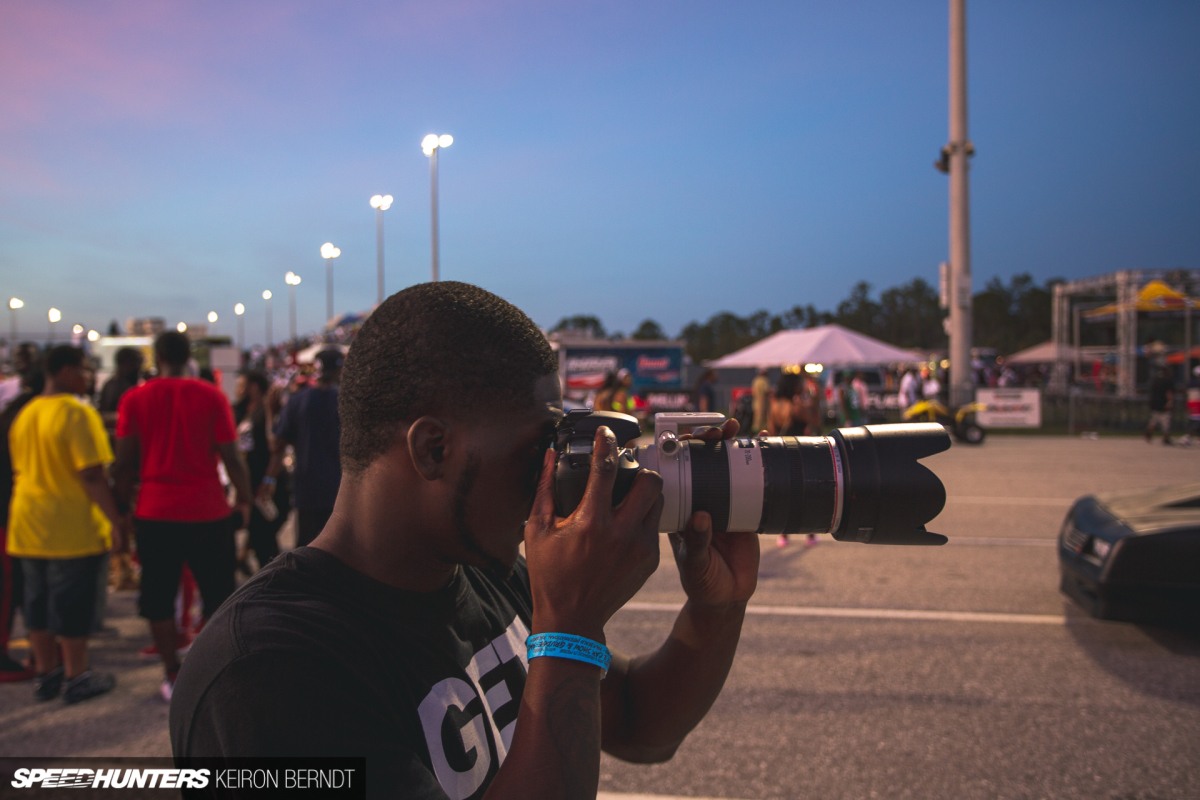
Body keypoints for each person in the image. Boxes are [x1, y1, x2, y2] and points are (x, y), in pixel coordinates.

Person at [171, 282, 760, 800]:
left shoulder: (483, 569)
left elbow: (638, 724)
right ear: (433, 449)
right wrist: (570, 626)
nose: (548, 477)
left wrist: (717, 605)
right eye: (536, 452)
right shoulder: (266, 672)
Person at [112, 331, 253, 702]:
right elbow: (232, 456)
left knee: (157, 595)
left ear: (157, 356)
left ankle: (171, 672)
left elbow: (124, 463)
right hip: (207, 511)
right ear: (188, 355)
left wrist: (122, 511)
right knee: (219, 596)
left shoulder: (135, 398)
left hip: (155, 510)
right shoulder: (211, 396)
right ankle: (216, 669)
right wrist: (245, 499)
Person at [7, 345, 127, 704]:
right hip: (68, 526)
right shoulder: (76, 413)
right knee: (72, 604)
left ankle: (46, 673)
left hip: (27, 521)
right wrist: (115, 521)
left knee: (36, 604)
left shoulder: (25, 413)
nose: (89, 377)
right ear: (64, 371)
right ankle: (77, 676)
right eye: (85, 369)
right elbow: (91, 474)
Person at [260, 348, 343, 548]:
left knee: (306, 551)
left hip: (307, 489)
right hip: (342, 490)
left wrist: (271, 413)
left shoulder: (298, 400)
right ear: (340, 370)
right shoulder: (347, 400)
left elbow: (276, 443)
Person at [0, 367, 45, 683]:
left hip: (15, 513)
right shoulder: (29, 416)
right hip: (13, 515)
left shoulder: (13, 416)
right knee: (10, 588)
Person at [233, 371, 289, 570]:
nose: (237, 389)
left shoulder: (266, 410)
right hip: (251, 482)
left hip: (266, 484)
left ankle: (274, 582)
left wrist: (269, 480)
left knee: (263, 536)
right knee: (258, 533)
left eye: (241, 384)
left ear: (254, 387)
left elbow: (277, 448)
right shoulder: (243, 411)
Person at [98, 347, 143, 436]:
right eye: (135, 364)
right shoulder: (117, 387)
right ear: (124, 363)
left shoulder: (111, 383)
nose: (139, 369)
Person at [0, 343, 40, 411]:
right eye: (19, 355)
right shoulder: (3, 388)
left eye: (27, 356)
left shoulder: (47, 390)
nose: (22, 359)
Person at [1145, 366, 1174, 445]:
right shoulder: (1167, 381)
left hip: (1154, 403)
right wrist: (1170, 402)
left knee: (1154, 419)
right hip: (1163, 403)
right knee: (1166, 421)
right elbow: (1168, 392)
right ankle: (1166, 437)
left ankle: (1148, 431)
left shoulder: (1155, 380)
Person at [1182, 365, 1200, 447]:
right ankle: (1187, 438)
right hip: (1196, 403)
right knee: (1196, 422)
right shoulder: (1197, 382)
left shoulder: (1190, 381)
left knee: (1194, 420)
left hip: (1191, 402)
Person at [751, 367, 771, 433]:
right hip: (762, 402)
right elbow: (767, 390)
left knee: (756, 418)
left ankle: (755, 431)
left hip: (755, 402)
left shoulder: (755, 380)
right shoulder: (764, 380)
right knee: (761, 418)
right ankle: (760, 431)